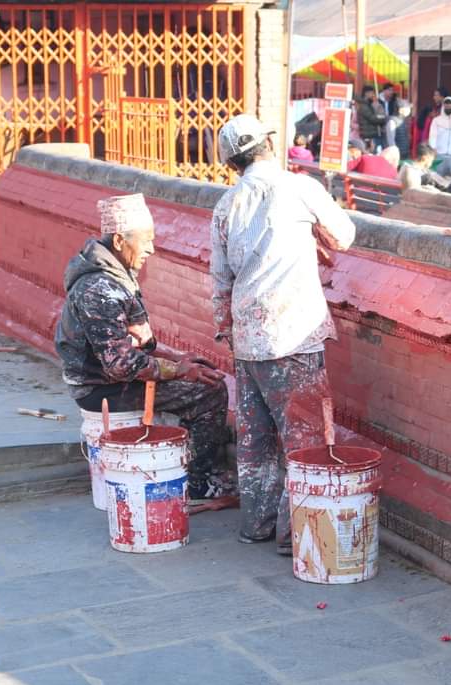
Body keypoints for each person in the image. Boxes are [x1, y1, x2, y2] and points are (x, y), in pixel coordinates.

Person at [211, 114, 356, 553]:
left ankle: (255, 524)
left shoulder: (225, 206)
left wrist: (228, 330)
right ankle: (296, 535)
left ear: (231, 162)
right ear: (270, 145)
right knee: (306, 437)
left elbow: (220, 282)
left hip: (248, 338)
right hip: (294, 335)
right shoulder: (300, 188)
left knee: (255, 439)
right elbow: (344, 237)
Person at [55, 194, 233, 503]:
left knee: (202, 376)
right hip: (101, 388)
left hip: (112, 380)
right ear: (121, 240)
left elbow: (138, 345)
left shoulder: (115, 277)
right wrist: (181, 371)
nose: (151, 248)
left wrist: (178, 359)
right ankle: (196, 481)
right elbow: (121, 365)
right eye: (146, 240)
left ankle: (187, 467)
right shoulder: (99, 288)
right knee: (209, 393)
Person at [428, 96, 451, 179]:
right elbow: (433, 136)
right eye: (446, 105)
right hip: (440, 155)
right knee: (437, 179)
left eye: (450, 105)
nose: (448, 107)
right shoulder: (436, 121)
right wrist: (433, 148)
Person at [414, 87, 446, 158]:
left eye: (436, 95)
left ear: (442, 97)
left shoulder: (444, 110)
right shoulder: (435, 109)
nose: (434, 97)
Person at [356, 85, 386, 151]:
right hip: (368, 134)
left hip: (370, 133)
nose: (373, 95)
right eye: (372, 93)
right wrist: (383, 119)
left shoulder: (367, 104)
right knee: (371, 152)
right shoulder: (364, 106)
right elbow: (373, 119)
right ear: (366, 93)